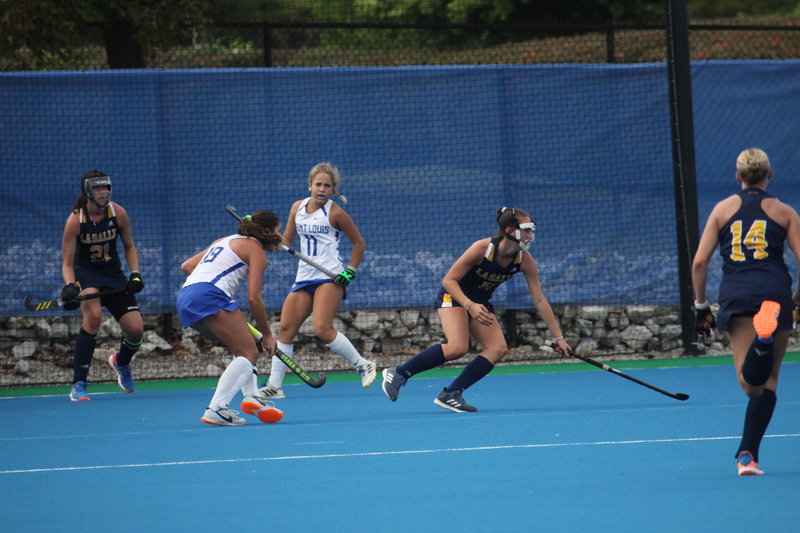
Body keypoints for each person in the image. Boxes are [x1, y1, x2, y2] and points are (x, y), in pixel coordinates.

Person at [381, 207, 571, 412]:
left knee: (498, 348)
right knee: (457, 348)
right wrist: (469, 305)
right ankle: (399, 373)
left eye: (531, 229)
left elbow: (539, 300)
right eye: (526, 230)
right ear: (509, 231)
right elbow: (449, 280)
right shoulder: (482, 249)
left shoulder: (524, 260)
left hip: (479, 302)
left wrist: (558, 337)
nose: (530, 235)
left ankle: (451, 393)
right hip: (453, 295)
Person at [692, 148, 800, 475]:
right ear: (769, 174)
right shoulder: (784, 212)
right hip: (776, 293)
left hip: (737, 295)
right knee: (769, 382)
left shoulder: (722, 210)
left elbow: (699, 263)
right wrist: (796, 300)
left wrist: (701, 307)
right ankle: (748, 456)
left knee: (750, 385)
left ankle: (747, 455)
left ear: (738, 177)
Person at [258, 162, 376, 400]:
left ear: (333, 189)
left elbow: (359, 244)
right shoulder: (297, 208)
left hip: (330, 276)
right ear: (310, 185)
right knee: (285, 329)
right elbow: (286, 243)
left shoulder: (336, 213)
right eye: (318, 184)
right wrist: (265, 240)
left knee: (322, 328)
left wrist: (350, 270)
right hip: (304, 277)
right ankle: (275, 386)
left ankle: (363, 364)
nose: (322, 189)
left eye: (327, 186)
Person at [177, 210, 286, 426]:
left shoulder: (224, 240)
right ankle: (216, 408)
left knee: (243, 350)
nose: (281, 237)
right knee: (249, 352)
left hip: (186, 296)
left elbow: (187, 266)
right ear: (267, 231)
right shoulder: (256, 251)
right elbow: (254, 299)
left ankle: (252, 396)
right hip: (209, 296)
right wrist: (268, 335)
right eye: (278, 231)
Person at [61, 170, 146, 401]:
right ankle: (79, 383)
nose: (103, 192)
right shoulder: (75, 220)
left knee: (136, 330)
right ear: (87, 191)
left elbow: (129, 246)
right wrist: (71, 287)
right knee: (94, 318)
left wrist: (135, 274)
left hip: (113, 275)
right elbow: (67, 264)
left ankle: (121, 362)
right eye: (97, 188)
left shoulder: (118, 213)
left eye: (106, 187)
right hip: (87, 274)